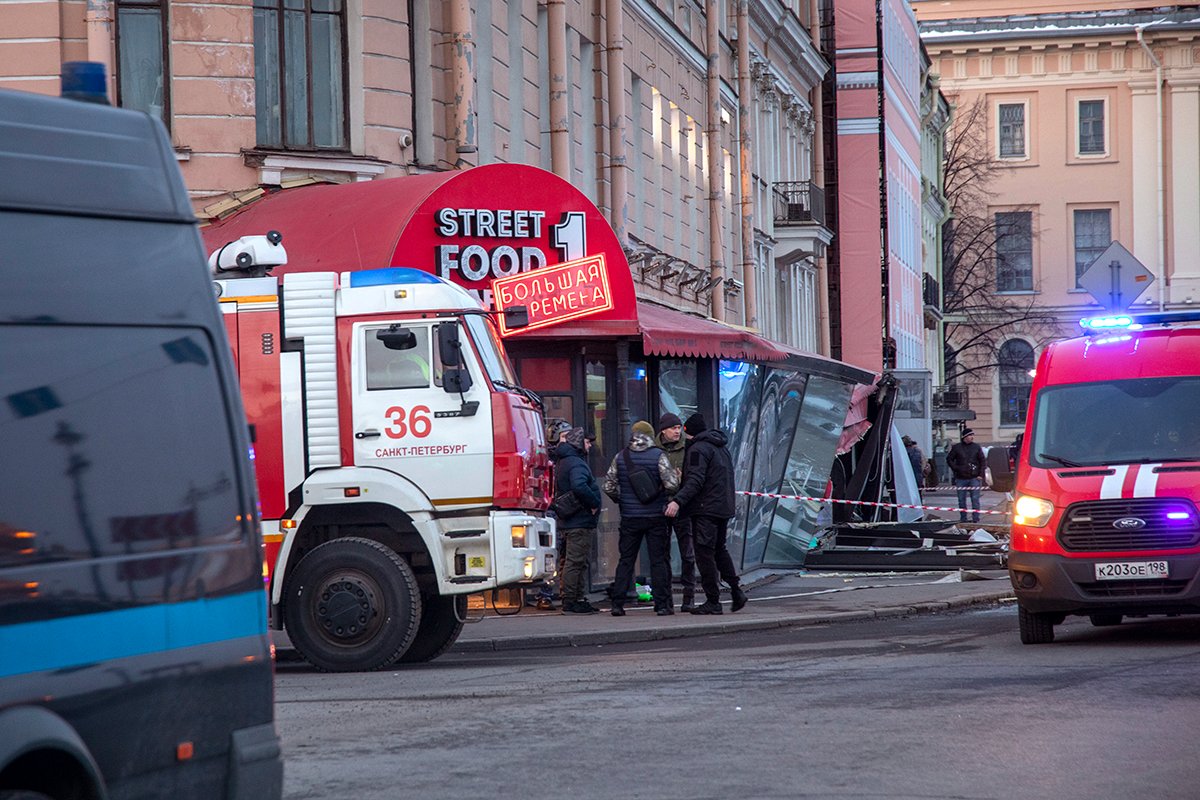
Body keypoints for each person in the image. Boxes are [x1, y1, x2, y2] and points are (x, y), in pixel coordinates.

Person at [665, 413, 746, 615]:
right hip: (722, 507)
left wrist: (678, 500)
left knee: (704, 554)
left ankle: (713, 600)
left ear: (688, 432)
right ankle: (736, 591)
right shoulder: (721, 447)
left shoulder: (697, 450)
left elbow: (695, 480)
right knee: (720, 550)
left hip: (704, 509)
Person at [604, 420, 680, 616]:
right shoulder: (658, 456)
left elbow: (609, 486)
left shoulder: (621, 457)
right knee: (658, 560)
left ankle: (617, 604)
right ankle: (662, 605)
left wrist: (622, 500)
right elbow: (671, 485)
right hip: (655, 516)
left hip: (630, 517)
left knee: (626, 560)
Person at [555, 427, 603, 614]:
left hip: (569, 520)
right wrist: (594, 503)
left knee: (570, 561)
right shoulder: (576, 463)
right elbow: (579, 485)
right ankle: (572, 600)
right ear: (578, 442)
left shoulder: (565, 461)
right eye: (587, 441)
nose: (590, 445)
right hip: (579, 521)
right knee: (576, 562)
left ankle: (575, 598)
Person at [656, 412, 696, 611]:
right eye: (674, 428)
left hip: (683, 507)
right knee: (663, 556)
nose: (677, 431)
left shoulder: (687, 448)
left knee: (687, 554)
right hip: (661, 507)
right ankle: (666, 600)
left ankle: (689, 598)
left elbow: (693, 478)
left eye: (679, 428)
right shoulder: (655, 450)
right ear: (663, 430)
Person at [532, 419, 573, 610]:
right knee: (552, 553)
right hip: (551, 510)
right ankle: (545, 594)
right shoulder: (548, 458)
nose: (569, 440)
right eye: (565, 436)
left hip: (563, 510)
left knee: (564, 554)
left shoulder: (568, 457)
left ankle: (563, 592)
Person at [947, 427, 986, 523]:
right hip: (961, 478)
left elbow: (982, 461)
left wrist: (980, 474)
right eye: (970, 435)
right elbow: (949, 459)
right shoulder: (957, 447)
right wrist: (956, 468)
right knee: (961, 500)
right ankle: (963, 518)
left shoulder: (976, 447)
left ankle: (975, 518)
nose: (972, 437)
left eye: (972, 435)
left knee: (975, 499)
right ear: (965, 437)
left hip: (974, 477)